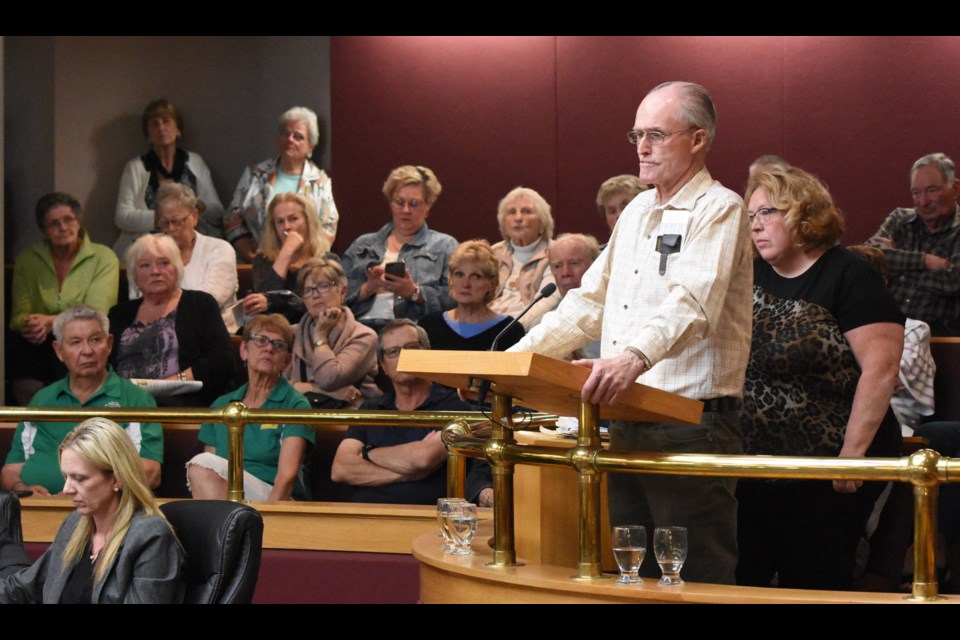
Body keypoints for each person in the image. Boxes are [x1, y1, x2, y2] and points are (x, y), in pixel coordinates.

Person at [508, 81, 753, 585]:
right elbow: (588, 304)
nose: (642, 146)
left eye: (657, 135)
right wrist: (512, 360)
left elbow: (692, 303)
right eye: (636, 134)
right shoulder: (638, 210)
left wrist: (631, 358)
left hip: (688, 421)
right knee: (631, 574)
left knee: (694, 578)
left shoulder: (720, 207)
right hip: (625, 418)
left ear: (698, 139)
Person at [737, 168, 904, 590]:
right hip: (758, 465)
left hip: (827, 468)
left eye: (767, 212)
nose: (755, 224)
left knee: (813, 581)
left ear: (802, 213)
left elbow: (881, 370)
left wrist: (852, 453)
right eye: (750, 214)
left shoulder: (849, 274)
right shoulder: (751, 275)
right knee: (746, 579)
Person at [0, 417, 184, 603]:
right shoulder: (75, 525)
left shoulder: (150, 535)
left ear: (116, 479)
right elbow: (21, 589)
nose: (66, 489)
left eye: (79, 478)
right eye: (66, 477)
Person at [2, 305, 164, 494]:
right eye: (75, 342)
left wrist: (84, 495)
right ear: (59, 351)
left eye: (95, 340)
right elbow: (11, 470)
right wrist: (23, 490)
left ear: (109, 344)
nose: (87, 351)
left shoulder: (136, 399)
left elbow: (151, 472)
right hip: (39, 506)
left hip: (109, 512)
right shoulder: (42, 399)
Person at [331, 319, 492, 506]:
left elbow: (423, 459)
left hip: (428, 519)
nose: (403, 356)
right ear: (382, 364)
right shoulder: (371, 409)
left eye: (411, 347)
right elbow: (341, 469)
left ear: (427, 353)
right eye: (393, 352)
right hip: (366, 515)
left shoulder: (454, 406)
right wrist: (410, 472)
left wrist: (368, 453)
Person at [187, 314, 314, 501]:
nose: (269, 348)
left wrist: (269, 522)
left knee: (201, 465)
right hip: (228, 496)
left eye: (278, 345)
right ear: (243, 351)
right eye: (260, 340)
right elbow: (214, 466)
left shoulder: (295, 404)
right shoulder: (222, 404)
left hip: (278, 498)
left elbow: (286, 478)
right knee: (204, 467)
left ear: (287, 361)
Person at [9, 193, 119, 406]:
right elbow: (18, 316)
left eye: (68, 219)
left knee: (80, 339)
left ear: (78, 221)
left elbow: (97, 310)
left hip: (83, 335)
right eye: (53, 223)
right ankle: (36, 421)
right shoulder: (27, 259)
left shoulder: (103, 257)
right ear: (43, 229)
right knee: (18, 343)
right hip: (39, 340)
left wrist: (51, 321)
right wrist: (30, 323)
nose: (62, 227)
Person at [109, 234, 234, 407]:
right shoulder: (118, 314)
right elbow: (106, 368)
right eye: (145, 265)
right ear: (134, 275)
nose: (155, 271)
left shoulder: (200, 304)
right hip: (125, 404)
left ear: (177, 268)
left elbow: (222, 360)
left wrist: (173, 383)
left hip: (183, 402)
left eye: (163, 263)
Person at [341, 165, 458, 331]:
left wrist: (415, 292)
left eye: (414, 204)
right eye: (399, 202)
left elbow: (456, 298)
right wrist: (367, 289)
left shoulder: (445, 246)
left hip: (413, 331)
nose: (406, 210)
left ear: (428, 207)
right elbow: (335, 291)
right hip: (358, 331)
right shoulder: (363, 244)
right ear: (390, 204)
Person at [224, 106, 338, 262]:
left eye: (298, 136)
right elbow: (232, 218)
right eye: (286, 134)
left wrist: (304, 263)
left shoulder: (320, 181)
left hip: (305, 268)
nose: (290, 139)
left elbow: (328, 227)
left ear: (310, 146)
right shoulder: (255, 174)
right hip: (260, 263)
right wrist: (251, 255)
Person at [114, 98, 224, 256]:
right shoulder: (136, 167)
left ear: (178, 130)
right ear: (148, 135)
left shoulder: (195, 162)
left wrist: (198, 207)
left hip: (191, 244)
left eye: (166, 122)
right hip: (149, 246)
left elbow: (218, 211)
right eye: (154, 124)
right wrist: (163, 218)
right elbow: (122, 217)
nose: (161, 128)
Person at [869, 153, 960, 335]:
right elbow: (868, 259)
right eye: (916, 193)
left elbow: (954, 282)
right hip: (883, 332)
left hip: (937, 341)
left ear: (955, 188)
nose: (923, 201)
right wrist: (925, 261)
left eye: (932, 190)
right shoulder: (899, 220)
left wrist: (897, 270)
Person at [286, 257, 380, 409]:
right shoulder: (292, 333)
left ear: (342, 291)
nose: (315, 295)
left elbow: (329, 378)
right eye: (308, 290)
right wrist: (321, 391)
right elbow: (274, 386)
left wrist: (320, 336)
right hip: (299, 413)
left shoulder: (364, 336)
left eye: (323, 286)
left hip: (349, 416)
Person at [147, 183, 239, 333]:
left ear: (194, 216)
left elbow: (209, 301)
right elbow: (141, 299)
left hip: (212, 336)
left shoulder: (219, 250)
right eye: (164, 222)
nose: (170, 229)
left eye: (177, 222)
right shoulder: (150, 254)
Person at [240, 192, 332, 324]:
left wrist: (277, 302)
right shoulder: (263, 260)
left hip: (314, 328)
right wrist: (285, 254)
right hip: (275, 332)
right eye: (280, 222)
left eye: (293, 219)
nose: (287, 227)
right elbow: (264, 305)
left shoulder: (327, 260)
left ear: (308, 221)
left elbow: (319, 305)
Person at [418, 239, 525, 352]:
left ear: (492, 284)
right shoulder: (430, 326)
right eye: (459, 275)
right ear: (450, 280)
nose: (466, 284)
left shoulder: (509, 331)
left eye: (476, 277)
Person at [489, 187, 562, 330]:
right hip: (486, 326)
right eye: (511, 212)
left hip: (526, 329)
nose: (518, 218)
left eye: (526, 211)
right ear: (504, 223)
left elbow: (548, 302)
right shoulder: (492, 253)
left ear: (542, 223)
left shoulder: (556, 253)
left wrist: (512, 330)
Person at [547, 233, 602, 358]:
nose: (565, 273)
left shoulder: (612, 317)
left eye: (574, 263)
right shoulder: (543, 323)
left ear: (595, 265)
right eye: (557, 266)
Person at [595, 175, 649, 241]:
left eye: (625, 207)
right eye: (612, 211)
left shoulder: (662, 245)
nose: (619, 215)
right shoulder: (603, 251)